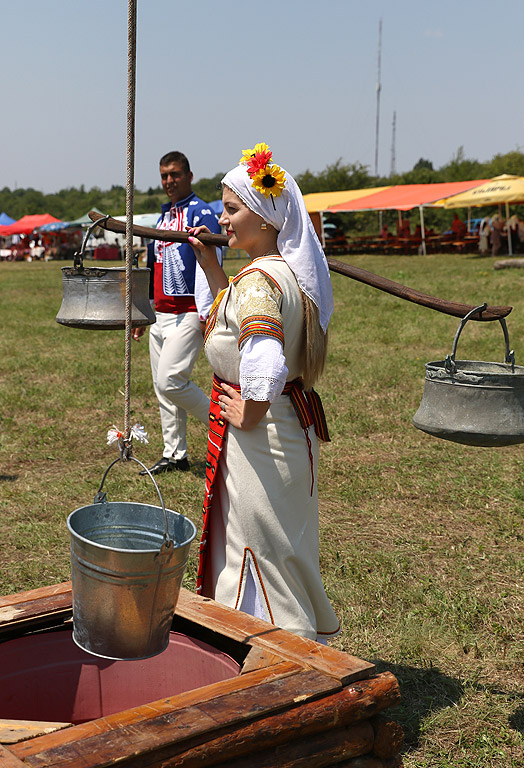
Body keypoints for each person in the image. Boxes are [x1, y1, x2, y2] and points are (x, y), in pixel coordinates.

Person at [187, 142, 340, 642]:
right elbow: (229, 329)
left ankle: (281, 660)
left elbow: (264, 356)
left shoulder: (259, 282)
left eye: (232, 210)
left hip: (264, 436)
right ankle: (286, 649)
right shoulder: (282, 274)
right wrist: (211, 266)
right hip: (287, 431)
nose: (223, 221)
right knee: (280, 546)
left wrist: (251, 411)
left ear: (265, 217)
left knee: (257, 549)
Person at [133, 151, 222, 475]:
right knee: (162, 389)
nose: (169, 181)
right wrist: (143, 311)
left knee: (171, 380)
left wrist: (208, 310)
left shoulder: (203, 213)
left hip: (190, 310)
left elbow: (214, 260)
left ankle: (224, 423)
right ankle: (175, 454)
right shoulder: (162, 217)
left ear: (189, 176)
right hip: (160, 312)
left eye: (175, 174)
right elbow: (152, 264)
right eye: (164, 176)